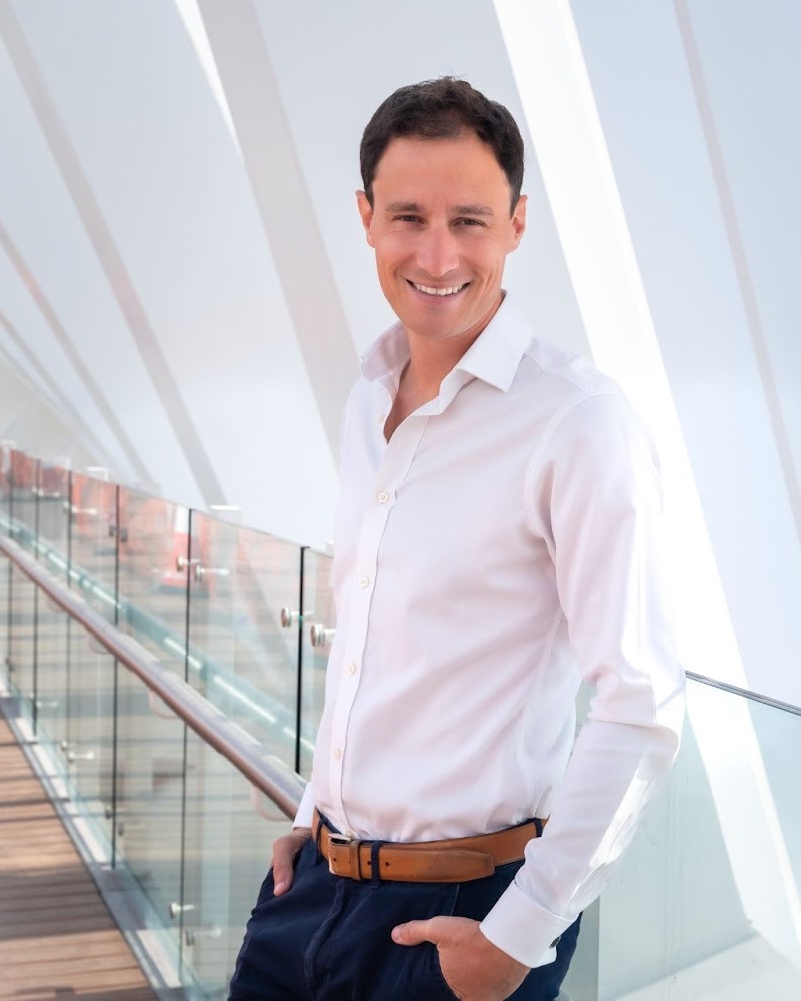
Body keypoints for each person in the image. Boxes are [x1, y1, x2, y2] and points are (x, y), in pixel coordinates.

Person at [228, 78, 685, 1000]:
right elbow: (371, 653)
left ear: (517, 224)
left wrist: (519, 933)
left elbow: (641, 703)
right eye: (409, 217)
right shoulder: (368, 399)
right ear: (366, 218)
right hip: (310, 891)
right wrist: (314, 815)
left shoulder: (578, 422)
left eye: (469, 221)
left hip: (462, 922)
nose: (437, 255)